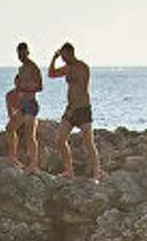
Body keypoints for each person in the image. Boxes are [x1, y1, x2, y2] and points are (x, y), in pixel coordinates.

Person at [47, 43, 101, 179]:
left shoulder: (82, 67)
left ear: (71, 53)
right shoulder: (67, 67)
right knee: (60, 141)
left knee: (88, 143)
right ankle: (69, 171)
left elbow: (82, 88)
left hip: (82, 109)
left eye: (64, 56)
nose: (63, 59)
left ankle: (96, 174)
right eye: (62, 57)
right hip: (70, 108)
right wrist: (54, 58)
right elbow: (51, 74)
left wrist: (74, 108)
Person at [8, 42, 43, 171]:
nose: (21, 56)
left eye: (23, 53)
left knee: (30, 135)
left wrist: (26, 88)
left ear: (28, 53)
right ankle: (13, 158)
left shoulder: (34, 68)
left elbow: (40, 87)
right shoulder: (21, 69)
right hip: (22, 105)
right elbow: (18, 87)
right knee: (10, 128)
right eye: (19, 53)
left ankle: (33, 164)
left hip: (31, 104)